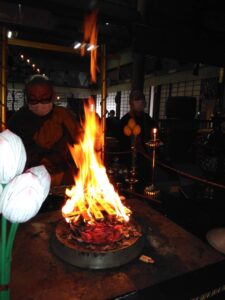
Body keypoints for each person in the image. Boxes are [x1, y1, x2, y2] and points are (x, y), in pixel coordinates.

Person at [7, 75, 82, 186]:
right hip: (30, 179)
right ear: (27, 98)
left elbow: (78, 143)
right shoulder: (17, 120)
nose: (39, 103)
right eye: (34, 99)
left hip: (63, 176)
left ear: (52, 96)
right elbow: (14, 153)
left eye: (44, 98)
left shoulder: (63, 116)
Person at [119, 90, 156, 192]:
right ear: (131, 102)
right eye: (137, 99)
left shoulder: (148, 119)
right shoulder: (125, 120)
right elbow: (121, 141)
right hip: (130, 157)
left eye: (142, 99)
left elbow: (153, 136)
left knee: (145, 180)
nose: (140, 102)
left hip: (146, 156)